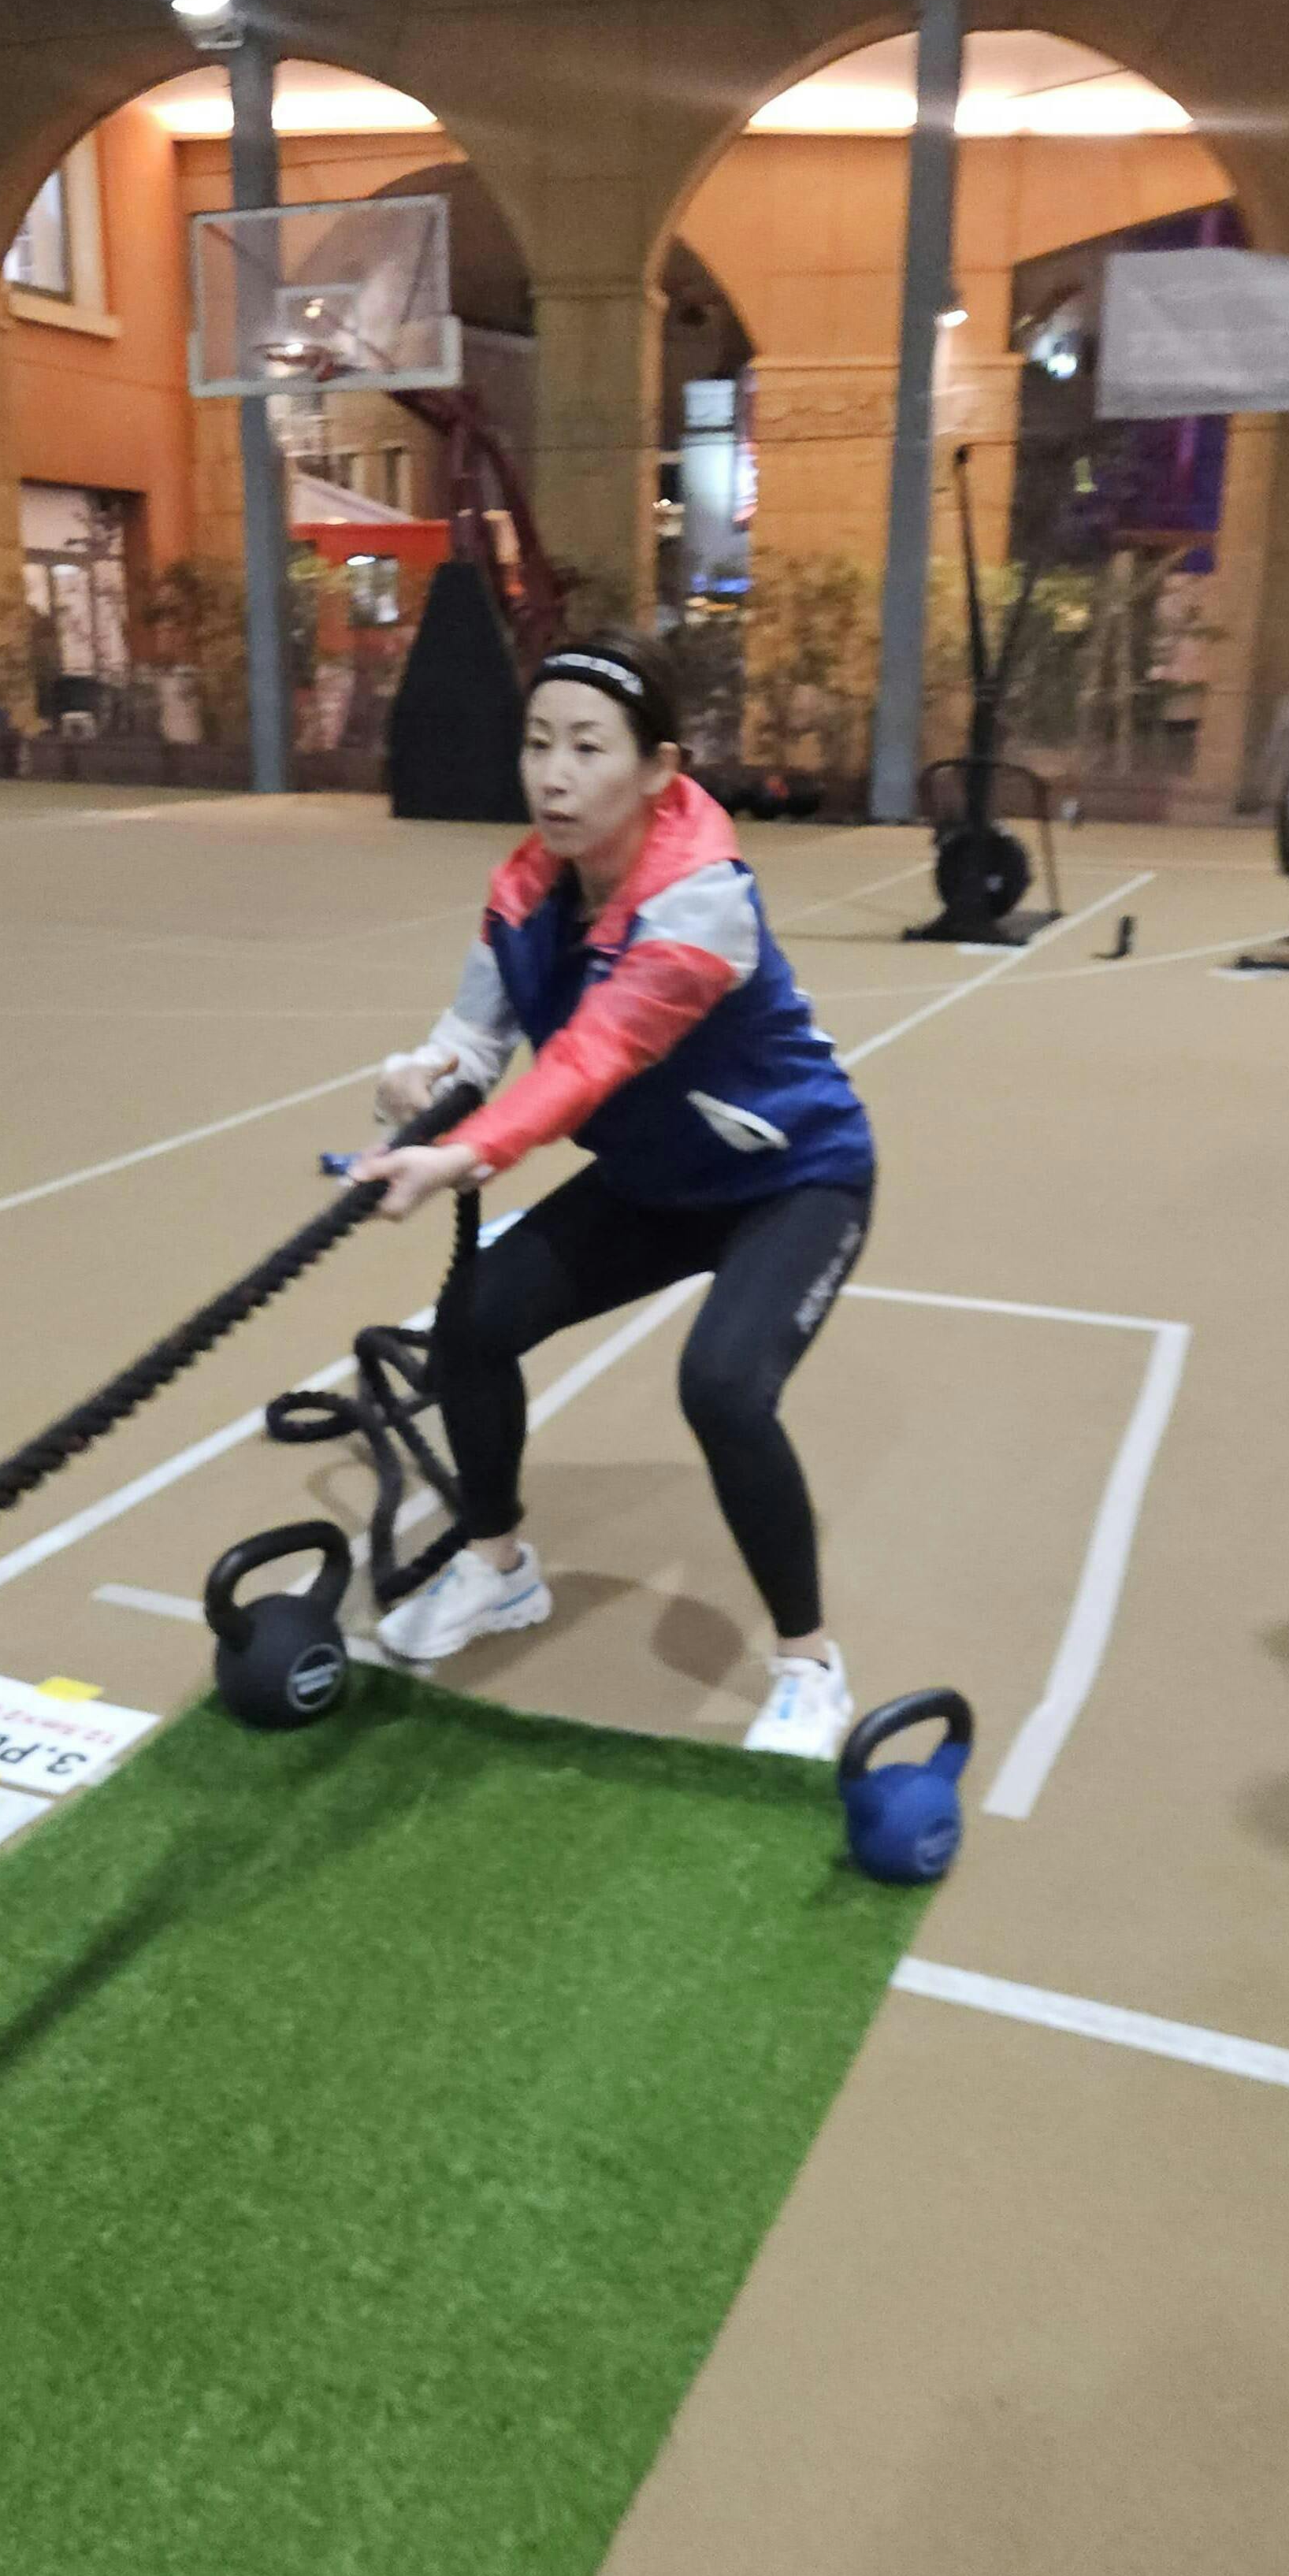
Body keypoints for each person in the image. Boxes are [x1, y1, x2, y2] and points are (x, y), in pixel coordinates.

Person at [351, 629, 875, 1758]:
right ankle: (498, 1565)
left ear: (658, 770)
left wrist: (464, 1156)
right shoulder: (525, 890)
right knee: (472, 1325)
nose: (554, 775)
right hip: (653, 1181)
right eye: (538, 742)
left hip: (791, 1179)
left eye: (589, 748)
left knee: (724, 1386)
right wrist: (423, 1075)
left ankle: (810, 1665)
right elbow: (475, 1035)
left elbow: (594, 1058)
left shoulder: (700, 904)